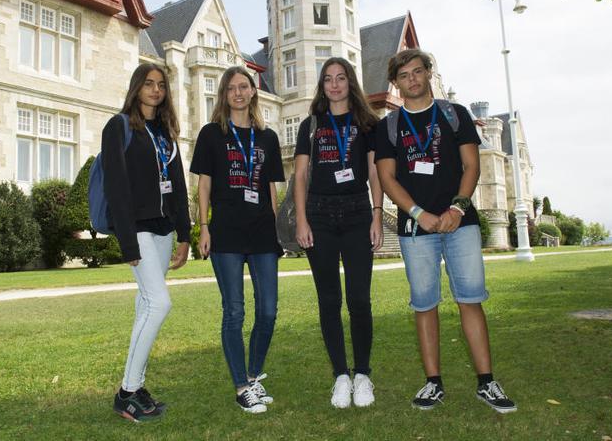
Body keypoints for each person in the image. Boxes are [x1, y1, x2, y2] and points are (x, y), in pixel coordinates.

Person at [374, 49, 516, 413]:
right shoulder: (388, 126)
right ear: (396, 82)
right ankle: (433, 383)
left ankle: (487, 382)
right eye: (404, 75)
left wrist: (457, 207)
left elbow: (471, 166)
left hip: (460, 223)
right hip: (414, 227)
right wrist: (419, 213)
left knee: (471, 299)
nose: (412, 79)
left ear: (428, 74)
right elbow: (387, 179)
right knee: (425, 305)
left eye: (418, 72)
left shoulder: (455, 115)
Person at [190, 66, 285, 414]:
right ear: (224, 95)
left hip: (261, 232)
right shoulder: (212, 134)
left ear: (253, 91)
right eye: (232, 89)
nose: (239, 93)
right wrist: (204, 226)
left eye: (244, 87)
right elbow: (204, 184)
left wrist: (276, 230)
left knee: (269, 310)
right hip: (226, 232)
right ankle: (242, 387)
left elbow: (272, 188)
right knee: (234, 311)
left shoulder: (268, 137)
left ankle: (254, 374)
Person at [293, 57, 384, 408]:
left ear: (350, 83)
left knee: (359, 298)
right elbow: (300, 175)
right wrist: (302, 220)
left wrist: (377, 215)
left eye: (341, 78)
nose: (334, 85)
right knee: (329, 300)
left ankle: (362, 374)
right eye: (328, 79)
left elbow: (375, 173)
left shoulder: (367, 124)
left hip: (359, 212)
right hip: (319, 213)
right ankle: (340, 376)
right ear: (322, 84)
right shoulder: (311, 125)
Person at [106, 63, 191, 422]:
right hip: (138, 229)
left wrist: (184, 234)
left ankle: (136, 386)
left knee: (146, 306)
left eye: (161, 85)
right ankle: (126, 392)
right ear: (136, 87)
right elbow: (116, 186)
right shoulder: (120, 126)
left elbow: (179, 184)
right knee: (159, 304)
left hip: (164, 229)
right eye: (149, 84)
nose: (155, 90)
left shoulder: (165, 132)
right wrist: (127, 242)